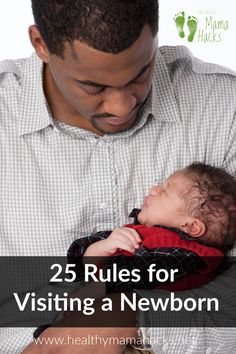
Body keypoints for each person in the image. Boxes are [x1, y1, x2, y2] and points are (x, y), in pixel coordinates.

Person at [0, 0, 236, 353]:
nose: (122, 106)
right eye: (94, 87)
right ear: (41, 45)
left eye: (141, 73)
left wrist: (127, 319)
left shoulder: (223, 106)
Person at [68, 162, 236, 293]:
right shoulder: (139, 232)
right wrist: (102, 247)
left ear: (191, 226)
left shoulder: (184, 256)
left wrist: (95, 289)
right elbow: (79, 264)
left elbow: (140, 275)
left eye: (165, 191)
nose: (153, 189)